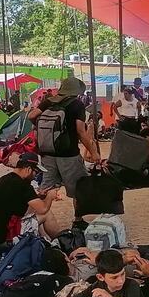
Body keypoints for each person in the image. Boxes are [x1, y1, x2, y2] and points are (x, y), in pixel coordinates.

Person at [28, 77, 100, 207]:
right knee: (78, 188)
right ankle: (78, 217)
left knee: (45, 189)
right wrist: (93, 152)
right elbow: (81, 131)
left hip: (47, 152)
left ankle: (38, 215)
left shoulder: (48, 101)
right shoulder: (77, 104)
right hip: (68, 154)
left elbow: (31, 115)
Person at [0, 153, 61, 244]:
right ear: (28, 169)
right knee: (47, 214)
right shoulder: (23, 185)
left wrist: (39, 196)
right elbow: (43, 209)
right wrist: (50, 196)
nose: (35, 176)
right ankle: (63, 241)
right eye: (36, 172)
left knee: (35, 217)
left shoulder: (5, 179)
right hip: (7, 234)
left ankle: (49, 242)